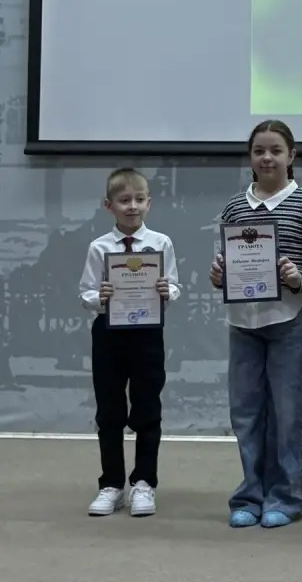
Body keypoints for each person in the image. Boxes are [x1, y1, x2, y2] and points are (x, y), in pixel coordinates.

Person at [210, 120, 302, 528]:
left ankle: (286, 497)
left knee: (289, 412)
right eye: (259, 150)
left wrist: (299, 276)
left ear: (291, 156)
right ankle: (250, 495)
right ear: (250, 157)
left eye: (275, 150)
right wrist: (219, 275)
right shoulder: (234, 206)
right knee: (246, 412)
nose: (267, 158)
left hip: (289, 319)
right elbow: (225, 262)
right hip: (242, 322)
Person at [78, 168, 180, 518]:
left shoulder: (161, 243)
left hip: (147, 334)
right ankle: (111, 484)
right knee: (109, 412)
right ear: (109, 205)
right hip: (108, 335)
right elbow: (85, 292)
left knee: (147, 409)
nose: (132, 206)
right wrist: (100, 296)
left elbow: (175, 286)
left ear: (149, 203)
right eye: (124, 200)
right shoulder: (99, 247)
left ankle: (144, 482)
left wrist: (167, 291)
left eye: (139, 199)